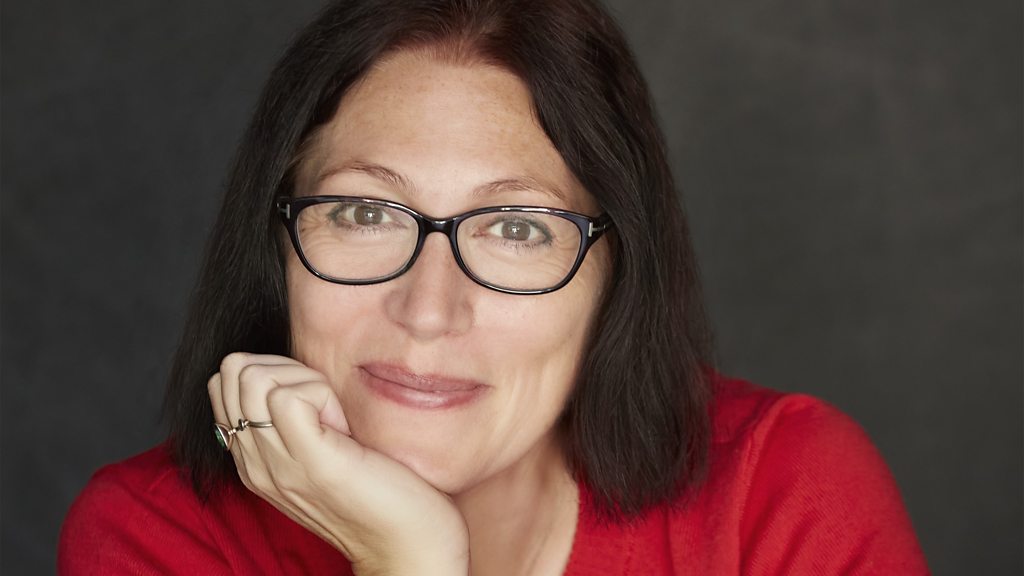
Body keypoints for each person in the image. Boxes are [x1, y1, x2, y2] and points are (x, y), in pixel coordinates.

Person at [58, 0, 930, 574]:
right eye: (364, 213)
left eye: (517, 229)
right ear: (276, 237)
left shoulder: (783, 494)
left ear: (616, 272)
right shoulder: (154, 540)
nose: (428, 310)